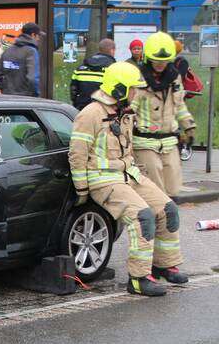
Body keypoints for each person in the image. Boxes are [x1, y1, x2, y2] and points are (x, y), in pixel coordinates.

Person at [69, 61, 188, 296]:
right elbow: (77, 153)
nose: (137, 94)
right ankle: (138, 279)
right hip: (103, 179)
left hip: (128, 175)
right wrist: (82, 190)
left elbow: (128, 150)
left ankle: (164, 265)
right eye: (133, 89)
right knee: (142, 217)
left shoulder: (124, 113)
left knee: (168, 209)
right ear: (119, 89)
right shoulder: (91, 114)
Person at [130, 31, 196, 198]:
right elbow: (131, 109)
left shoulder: (174, 78)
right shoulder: (138, 78)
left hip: (168, 140)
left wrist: (189, 126)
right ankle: (158, 220)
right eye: (156, 60)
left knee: (173, 187)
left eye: (164, 60)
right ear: (149, 58)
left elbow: (179, 105)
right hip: (145, 141)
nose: (160, 64)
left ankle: (167, 218)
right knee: (155, 187)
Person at [0, 22, 43, 97]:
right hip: (25, 101)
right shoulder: (31, 52)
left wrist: (7, 90)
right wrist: (34, 96)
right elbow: (33, 79)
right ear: (33, 35)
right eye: (38, 36)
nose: (38, 39)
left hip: (8, 100)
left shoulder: (8, 51)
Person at [69, 37, 116, 109]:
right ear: (112, 50)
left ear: (100, 49)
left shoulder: (81, 67)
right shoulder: (114, 69)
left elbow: (73, 90)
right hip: (104, 110)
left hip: (81, 109)